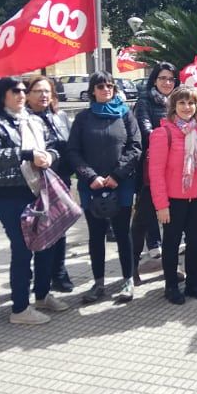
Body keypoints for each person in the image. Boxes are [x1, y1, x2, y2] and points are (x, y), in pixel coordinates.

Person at [0, 76, 67, 325]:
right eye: (13, 91)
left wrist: (49, 156)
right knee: (23, 249)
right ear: (2, 95)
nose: (19, 95)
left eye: (21, 91)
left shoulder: (34, 120)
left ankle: (41, 295)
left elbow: (52, 148)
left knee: (46, 245)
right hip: (9, 196)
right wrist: (26, 154)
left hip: (39, 191)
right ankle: (19, 308)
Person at [68, 71, 142, 304]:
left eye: (109, 86)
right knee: (96, 235)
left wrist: (117, 175)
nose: (106, 89)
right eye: (100, 86)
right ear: (92, 90)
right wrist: (90, 176)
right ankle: (98, 283)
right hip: (91, 186)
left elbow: (135, 147)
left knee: (122, 233)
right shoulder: (83, 118)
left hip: (120, 185)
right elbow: (73, 151)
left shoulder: (125, 115)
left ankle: (127, 280)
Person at [148, 86, 197, 304]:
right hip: (173, 201)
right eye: (182, 103)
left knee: (195, 243)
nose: (187, 107)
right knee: (172, 244)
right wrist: (161, 205)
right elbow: (155, 172)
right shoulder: (162, 133)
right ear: (173, 106)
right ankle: (172, 286)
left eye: (191, 103)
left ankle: (194, 283)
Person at [25, 76, 74, 293]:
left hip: (61, 179)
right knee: (41, 229)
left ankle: (59, 273)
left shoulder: (60, 116)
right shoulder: (25, 119)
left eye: (47, 91)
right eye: (37, 91)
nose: (43, 95)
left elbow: (68, 144)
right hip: (38, 182)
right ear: (27, 94)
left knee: (60, 227)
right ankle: (39, 278)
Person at [132, 62, 175, 277]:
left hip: (175, 170)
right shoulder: (144, 101)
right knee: (143, 218)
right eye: (162, 78)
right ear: (154, 80)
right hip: (152, 169)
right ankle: (131, 269)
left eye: (171, 79)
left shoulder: (179, 102)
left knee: (173, 223)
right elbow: (146, 132)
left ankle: (170, 267)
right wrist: (172, 139)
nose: (167, 83)